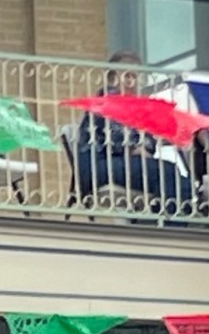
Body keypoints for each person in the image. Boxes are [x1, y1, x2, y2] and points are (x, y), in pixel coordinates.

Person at [70, 50, 198, 216]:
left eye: (135, 77)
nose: (132, 82)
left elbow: (149, 142)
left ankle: (166, 218)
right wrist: (136, 147)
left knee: (174, 176)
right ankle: (171, 222)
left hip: (119, 163)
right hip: (98, 166)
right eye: (127, 76)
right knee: (166, 171)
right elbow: (117, 138)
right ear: (113, 79)